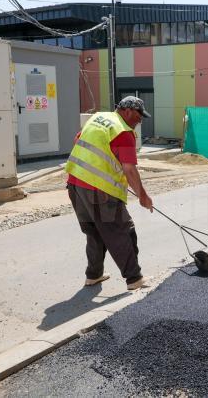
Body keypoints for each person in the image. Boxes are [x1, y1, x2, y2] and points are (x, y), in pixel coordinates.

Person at [65, 96, 154, 290]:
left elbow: (77, 140)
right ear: (128, 111)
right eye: (139, 116)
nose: (140, 121)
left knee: (95, 232)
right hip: (99, 191)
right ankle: (134, 278)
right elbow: (129, 169)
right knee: (123, 231)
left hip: (75, 185)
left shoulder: (98, 118)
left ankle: (93, 275)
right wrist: (143, 196)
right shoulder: (123, 132)